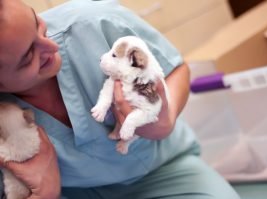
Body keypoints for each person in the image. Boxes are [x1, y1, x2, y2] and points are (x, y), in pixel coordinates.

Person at [0, 0, 240, 198]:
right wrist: (45, 193)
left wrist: (165, 118)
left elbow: (175, 68)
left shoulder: (95, 22)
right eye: (29, 57)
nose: (51, 45)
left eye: (38, 24)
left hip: (161, 172)